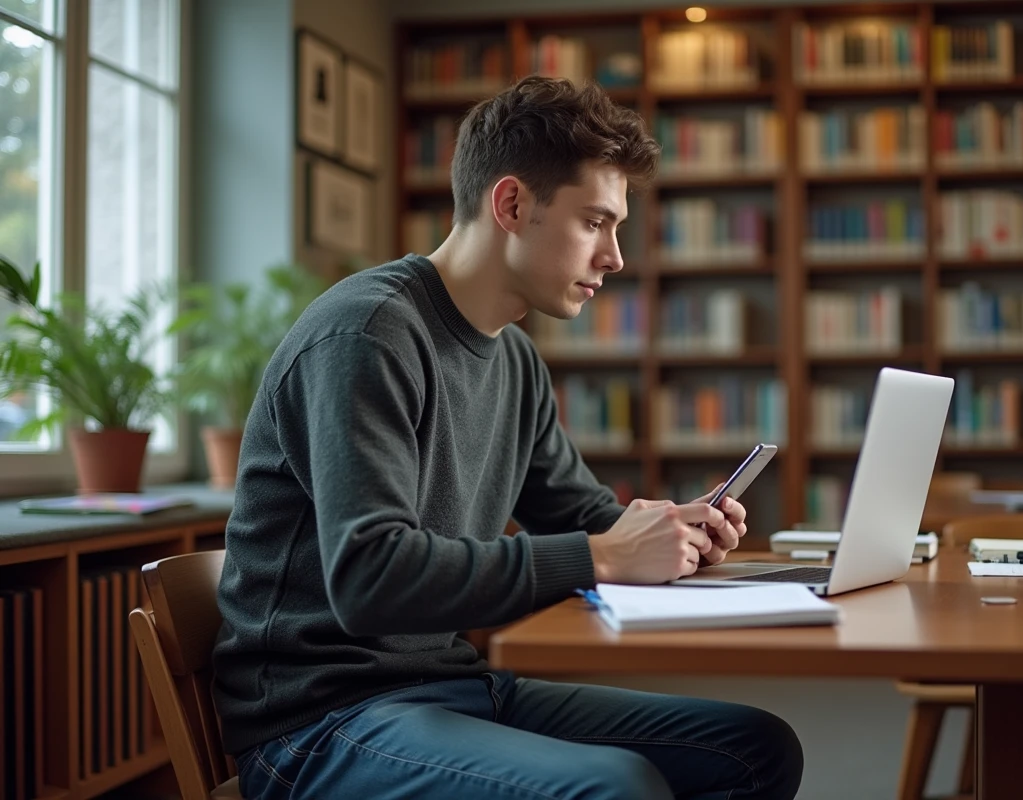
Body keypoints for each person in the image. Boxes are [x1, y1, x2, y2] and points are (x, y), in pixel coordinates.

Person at [212, 76, 804, 800]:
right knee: (616, 788)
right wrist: (604, 554)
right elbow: (370, 577)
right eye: (595, 222)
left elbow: (585, 520)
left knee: (755, 750)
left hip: (451, 688)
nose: (616, 257)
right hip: (318, 724)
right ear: (513, 204)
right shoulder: (364, 336)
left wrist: (674, 532)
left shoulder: (514, 358)